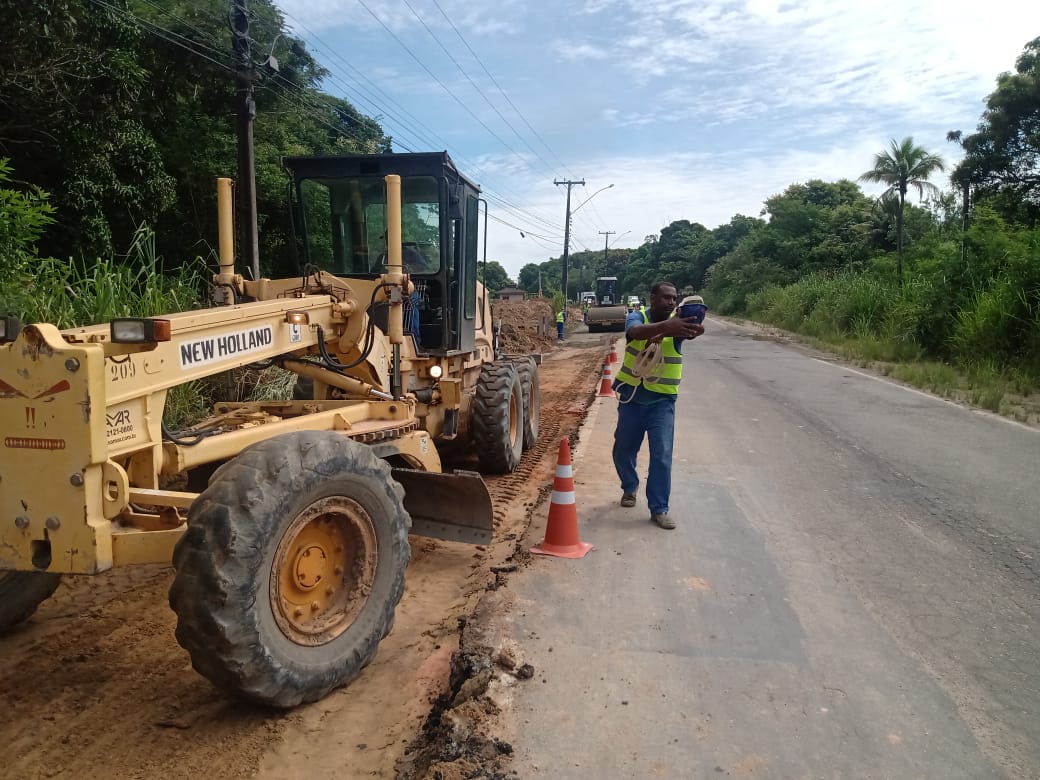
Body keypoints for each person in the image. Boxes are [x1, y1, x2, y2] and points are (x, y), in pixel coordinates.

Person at [611, 281, 704, 529]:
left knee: (661, 455)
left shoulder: (678, 322)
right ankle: (630, 487)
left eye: (674, 298)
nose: (671, 302)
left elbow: (690, 330)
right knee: (623, 449)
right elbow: (634, 333)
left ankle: (659, 508)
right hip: (632, 398)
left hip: (662, 402)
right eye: (666, 298)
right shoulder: (636, 316)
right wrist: (666, 326)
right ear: (652, 298)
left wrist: (692, 329)